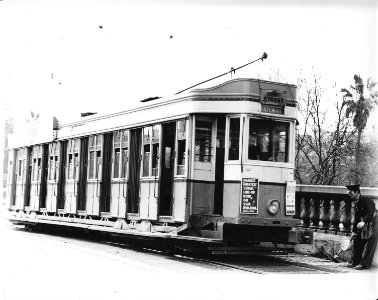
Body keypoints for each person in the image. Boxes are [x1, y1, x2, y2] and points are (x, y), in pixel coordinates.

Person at [346, 184, 378, 270]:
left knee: (371, 244)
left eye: (351, 192)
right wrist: (354, 231)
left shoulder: (366, 200)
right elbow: (356, 219)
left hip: (375, 223)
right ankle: (355, 262)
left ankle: (365, 264)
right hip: (367, 224)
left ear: (357, 192)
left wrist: (363, 222)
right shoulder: (357, 203)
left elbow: (370, 214)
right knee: (357, 240)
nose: (349, 194)